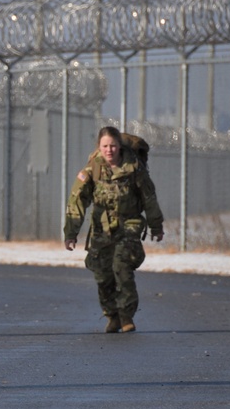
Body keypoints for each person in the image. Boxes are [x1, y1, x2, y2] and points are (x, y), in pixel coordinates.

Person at [64, 125, 164, 333]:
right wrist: (71, 233)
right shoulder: (92, 169)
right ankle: (112, 315)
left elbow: (149, 198)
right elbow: (77, 201)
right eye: (105, 146)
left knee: (121, 265)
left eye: (113, 146)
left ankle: (127, 315)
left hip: (129, 225)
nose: (109, 150)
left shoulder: (134, 168)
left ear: (119, 146)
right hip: (102, 228)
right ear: (99, 148)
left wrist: (156, 225)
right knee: (102, 274)